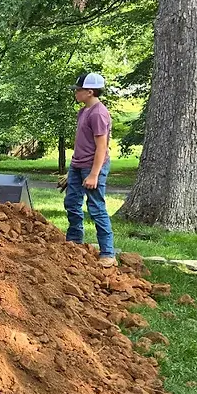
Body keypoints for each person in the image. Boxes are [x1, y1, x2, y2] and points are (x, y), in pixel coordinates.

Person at [63, 72, 116, 267]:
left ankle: (108, 253)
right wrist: (71, 171)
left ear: (90, 91)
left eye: (78, 90)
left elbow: (101, 147)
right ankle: (74, 243)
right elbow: (82, 143)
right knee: (71, 202)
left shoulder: (99, 113)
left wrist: (94, 174)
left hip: (93, 167)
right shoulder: (84, 111)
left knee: (96, 208)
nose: (76, 93)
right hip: (78, 166)